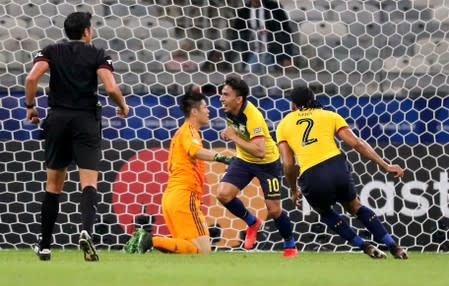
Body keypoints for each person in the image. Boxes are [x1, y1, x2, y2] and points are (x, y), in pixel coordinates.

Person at [25, 11, 129, 261]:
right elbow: (110, 86)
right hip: (86, 121)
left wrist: (30, 106)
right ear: (86, 31)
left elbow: (31, 78)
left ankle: (46, 245)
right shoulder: (98, 54)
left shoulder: (51, 50)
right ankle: (86, 232)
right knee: (89, 181)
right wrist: (123, 106)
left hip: (58, 119)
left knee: (53, 185)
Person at [276, 86, 408, 259]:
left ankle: (365, 246)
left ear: (293, 105)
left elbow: (288, 163)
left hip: (311, 174)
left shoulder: (283, 124)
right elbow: (357, 143)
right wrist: (385, 165)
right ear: (313, 100)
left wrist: (293, 189)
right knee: (355, 206)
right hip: (336, 167)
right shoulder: (330, 115)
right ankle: (394, 246)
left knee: (324, 211)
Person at [125, 90, 233, 254]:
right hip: (184, 196)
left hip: (174, 196)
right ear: (194, 112)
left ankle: (147, 241)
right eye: (204, 107)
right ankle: (148, 240)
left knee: (188, 247)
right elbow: (195, 151)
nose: (208, 110)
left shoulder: (182, 132)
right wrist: (223, 158)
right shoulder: (189, 131)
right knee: (203, 251)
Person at [216, 76, 297, 257]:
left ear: (239, 99)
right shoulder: (229, 109)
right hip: (244, 160)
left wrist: (233, 137)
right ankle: (252, 222)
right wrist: (230, 135)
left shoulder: (253, 117)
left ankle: (290, 244)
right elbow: (237, 133)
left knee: (274, 209)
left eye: (226, 95)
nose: (221, 98)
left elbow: (259, 151)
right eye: (221, 94)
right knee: (223, 194)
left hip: (267, 163)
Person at [231, 0, 293, 73]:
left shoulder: (274, 8)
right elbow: (237, 36)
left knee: (272, 79)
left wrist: (287, 57)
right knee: (251, 76)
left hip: (272, 52)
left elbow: (286, 33)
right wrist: (231, 57)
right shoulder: (243, 12)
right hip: (252, 52)